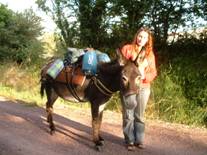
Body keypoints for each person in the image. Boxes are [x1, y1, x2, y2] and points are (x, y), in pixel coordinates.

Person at [120, 27, 157, 151]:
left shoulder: (149, 54)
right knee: (128, 114)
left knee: (139, 115)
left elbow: (153, 72)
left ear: (148, 40)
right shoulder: (127, 49)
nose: (141, 39)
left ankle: (139, 140)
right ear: (136, 36)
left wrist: (143, 75)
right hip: (129, 87)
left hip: (143, 86)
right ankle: (129, 140)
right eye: (140, 36)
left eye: (145, 37)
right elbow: (121, 68)